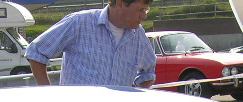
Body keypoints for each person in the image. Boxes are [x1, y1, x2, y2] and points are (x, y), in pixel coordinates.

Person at [26, 0, 156, 88]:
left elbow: (148, 71)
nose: (144, 16)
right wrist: (50, 96)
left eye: (146, 10)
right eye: (141, 10)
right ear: (120, 3)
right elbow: (36, 52)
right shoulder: (79, 23)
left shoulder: (138, 34)